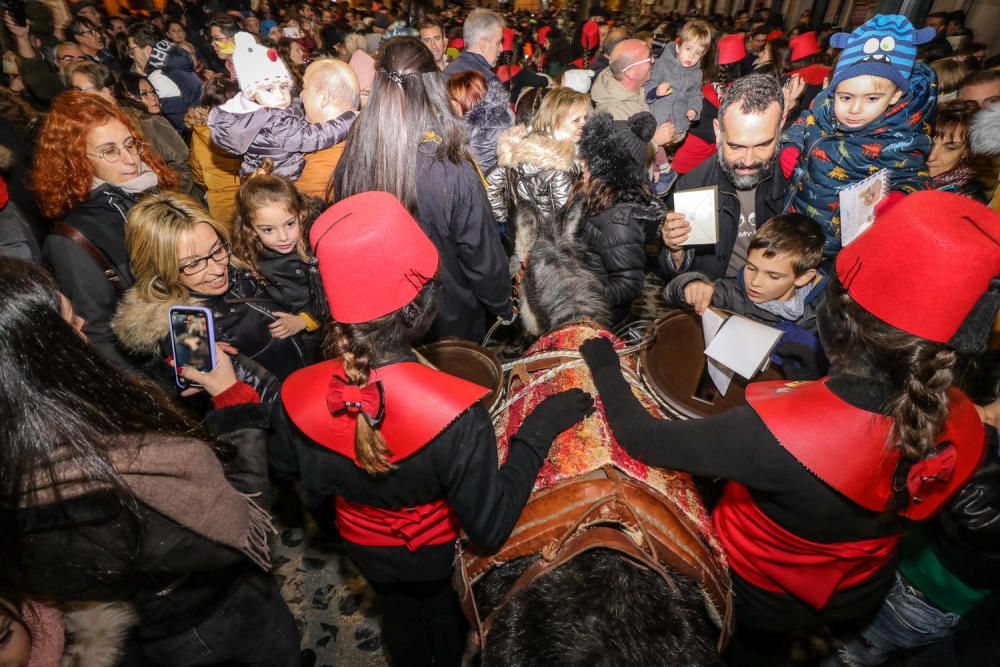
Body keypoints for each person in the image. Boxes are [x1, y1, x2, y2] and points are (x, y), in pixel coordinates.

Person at [578, 190, 998, 664]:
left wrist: (601, 358)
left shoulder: (778, 433)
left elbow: (642, 437)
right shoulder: (970, 425)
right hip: (859, 588)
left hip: (757, 591)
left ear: (836, 323)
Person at [273, 190, 593, 667]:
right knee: (444, 620)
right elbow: (489, 526)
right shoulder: (458, 417)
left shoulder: (293, 396)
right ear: (415, 313)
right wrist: (538, 428)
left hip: (363, 552)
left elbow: (290, 476)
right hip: (433, 556)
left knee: (397, 614)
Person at [0, 256, 301, 667]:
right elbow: (237, 526)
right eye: (70, 324)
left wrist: (166, 380)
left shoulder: (32, 431)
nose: (85, 324)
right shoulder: (101, 482)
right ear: (39, 357)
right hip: (207, 627)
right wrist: (234, 401)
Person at [334, 37, 511, 343]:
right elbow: (480, 254)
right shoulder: (450, 166)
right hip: (447, 323)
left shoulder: (354, 153)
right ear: (433, 85)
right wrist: (502, 306)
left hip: (380, 320)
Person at [35, 93, 176, 371]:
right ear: (78, 161)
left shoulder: (150, 192)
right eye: (109, 151)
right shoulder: (71, 240)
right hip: (156, 369)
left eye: (130, 145)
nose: (130, 160)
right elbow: (100, 336)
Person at [781, 15, 938, 258]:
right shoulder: (824, 104)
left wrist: (897, 198)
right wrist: (789, 146)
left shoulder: (899, 138)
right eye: (846, 97)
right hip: (793, 215)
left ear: (895, 95)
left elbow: (915, 178)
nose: (855, 109)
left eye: (872, 98)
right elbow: (804, 123)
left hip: (834, 245)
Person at [112, 192, 308, 384]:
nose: (218, 269)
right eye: (193, 264)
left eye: (216, 249)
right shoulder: (188, 330)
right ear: (162, 271)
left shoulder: (240, 266)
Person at [665, 213, 830, 375]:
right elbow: (670, 295)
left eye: (773, 276)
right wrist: (691, 284)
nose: (755, 282)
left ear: (803, 278)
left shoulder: (822, 314)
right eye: (751, 267)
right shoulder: (733, 293)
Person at [659, 74, 787, 282]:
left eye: (763, 145)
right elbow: (675, 275)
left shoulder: (798, 178)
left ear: (780, 126)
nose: (747, 161)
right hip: (717, 298)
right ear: (718, 132)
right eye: (735, 146)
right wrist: (675, 251)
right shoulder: (693, 185)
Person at [208, 32, 356, 179]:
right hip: (284, 181)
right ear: (251, 93)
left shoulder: (255, 115)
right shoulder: (274, 120)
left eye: (284, 86)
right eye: (269, 89)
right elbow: (313, 137)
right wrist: (348, 119)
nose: (280, 95)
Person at [576, 111, 663, 328]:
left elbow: (629, 285)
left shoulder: (618, 223)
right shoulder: (594, 194)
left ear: (610, 169)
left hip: (601, 320)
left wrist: (583, 298)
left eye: (590, 160)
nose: (581, 164)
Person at [231, 171, 324, 353]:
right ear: (250, 229)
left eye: (290, 224)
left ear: (301, 214)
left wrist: (305, 320)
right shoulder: (249, 253)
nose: (283, 237)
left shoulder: (317, 244)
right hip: (295, 340)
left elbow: (336, 294)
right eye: (268, 230)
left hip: (326, 333)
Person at [486, 86, 588, 245]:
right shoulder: (560, 165)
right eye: (576, 120)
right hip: (549, 252)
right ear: (555, 120)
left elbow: (490, 183)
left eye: (585, 118)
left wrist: (504, 223)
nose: (583, 124)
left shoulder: (522, 146)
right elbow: (568, 227)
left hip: (523, 243)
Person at [297, 58, 360, 201]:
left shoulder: (330, 152)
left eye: (305, 87)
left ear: (323, 97)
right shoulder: (360, 132)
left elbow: (292, 209)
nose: (301, 95)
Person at [185, 77, 243, 225]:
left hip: (221, 205)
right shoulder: (251, 126)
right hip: (255, 196)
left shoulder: (199, 132)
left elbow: (197, 173)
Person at [126, 22, 203, 132]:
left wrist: (146, 79)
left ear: (148, 50)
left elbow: (173, 125)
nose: (131, 56)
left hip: (196, 133)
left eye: (132, 50)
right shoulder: (172, 60)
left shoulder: (158, 77)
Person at [447, 70, 514, 172]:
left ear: (466, 99)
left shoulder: (480, 134)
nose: (448, 105)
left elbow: (479, 177)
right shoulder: (495, 117)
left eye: (451, 99)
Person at [928, 100, 986, 201]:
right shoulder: (899, 174)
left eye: (950, 148)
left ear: (966, 151)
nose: (931, 157)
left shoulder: (968, 201)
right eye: (929, 143)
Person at [443, 8, 504, 84]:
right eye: (498, 42)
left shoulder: (448, 70)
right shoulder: (487, 81)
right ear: (483, 44)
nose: (501, 49)